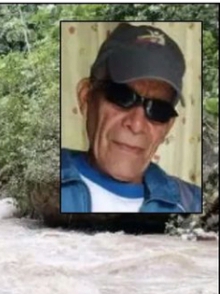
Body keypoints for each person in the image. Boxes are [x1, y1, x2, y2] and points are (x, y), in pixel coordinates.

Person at [61, 22, 202, 213]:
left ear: (168, 127)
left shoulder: (194, 204)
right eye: (122, 97)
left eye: (158, 109)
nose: (136, 125)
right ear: (86, 97)